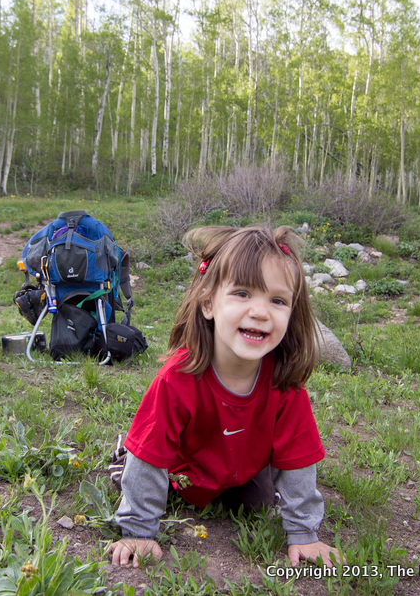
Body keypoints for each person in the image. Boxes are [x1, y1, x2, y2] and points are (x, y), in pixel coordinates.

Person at [107, 225, 341, 569]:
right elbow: (152, 455)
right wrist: (139, 531)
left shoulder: (284, 382)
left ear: (292, 314)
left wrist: (304, 533)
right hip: (179, 471)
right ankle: (123, 452)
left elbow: (298, 457)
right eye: (242, 294)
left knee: (260, 502)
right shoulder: (178, 377)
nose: (261, 312)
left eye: (277, 300)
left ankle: (234, 484)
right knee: (140, 467)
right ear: (208, 304)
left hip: (237, 470)